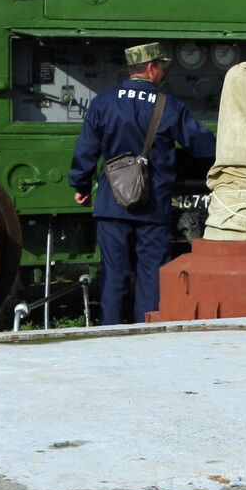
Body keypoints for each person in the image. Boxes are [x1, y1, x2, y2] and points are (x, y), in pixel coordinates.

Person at [69, 43, 216, 324]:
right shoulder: (169, 105)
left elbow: (86, 148)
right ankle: (147, 331)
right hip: (154, 205)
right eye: (161, 67)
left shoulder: (103, 102)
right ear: (151, 69)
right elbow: (202, 146)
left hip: (112, 204)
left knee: (114, 273)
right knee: (152, 273)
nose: (163, 73)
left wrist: (81, 186)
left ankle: (109, 332)